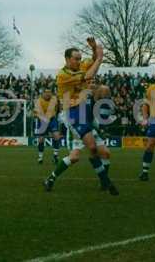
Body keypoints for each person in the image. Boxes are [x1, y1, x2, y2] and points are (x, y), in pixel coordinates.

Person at [44, 37, 118, 195]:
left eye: (79, 58)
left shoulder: (80, 65)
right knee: (80, 154)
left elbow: (90, 62)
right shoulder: (62, 75)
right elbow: (88, 75)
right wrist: (99, 59)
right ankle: (105, 182)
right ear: (67, 59)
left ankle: (104, 182)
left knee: (105, 153)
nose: (79, 61)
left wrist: (93, 51)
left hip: (85, 112)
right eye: (76, 59)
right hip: (72, 114)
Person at [33, 88, 61, 164]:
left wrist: (58, 113)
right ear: (43, 93)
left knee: (56, 135)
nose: (48, 94)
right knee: (41, 139)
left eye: (50, 92)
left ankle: (55, 156)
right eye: (46, 92)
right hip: (42, 120)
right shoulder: (39, 101)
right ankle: (40, 157)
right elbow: (36, 113)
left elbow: (58, 107)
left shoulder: (54, 99)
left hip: (52, 119)